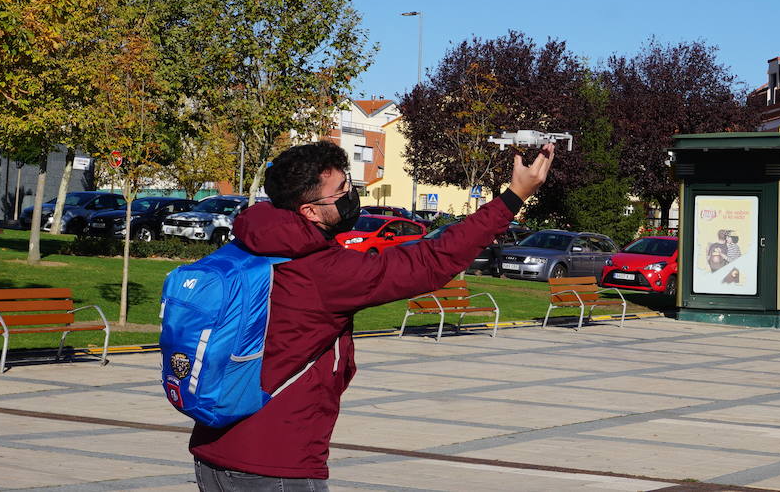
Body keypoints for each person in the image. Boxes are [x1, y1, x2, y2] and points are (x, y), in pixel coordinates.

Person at [189, 139, 554, 491]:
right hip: (276, 463)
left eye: (348, 180)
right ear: (309, 211)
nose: (351, 193)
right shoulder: (320, 272)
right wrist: (513, 196)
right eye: (341, 189)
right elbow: (432, 259)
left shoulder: (248, 247)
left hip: (213, 449)